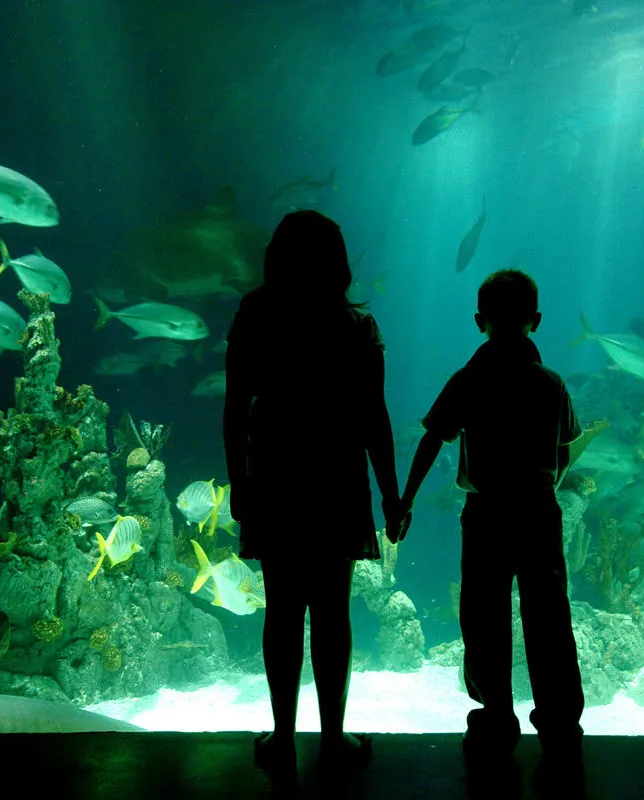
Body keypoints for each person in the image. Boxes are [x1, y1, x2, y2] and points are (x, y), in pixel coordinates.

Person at [224, 210, 401, 771]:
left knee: (281, 610)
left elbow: (234, 410)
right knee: (331, 611)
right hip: (336, 479)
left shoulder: (255, 313)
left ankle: (281, 737)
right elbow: (376, 419)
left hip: (274, 474)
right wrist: (392, 493)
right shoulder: (356, 327)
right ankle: (331, 738)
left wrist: (238, 484)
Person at [393, 269, 585, 763]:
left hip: (486, 513)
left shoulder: (468, 379)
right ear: (536, 321)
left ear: (479, 321)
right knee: (548, 615)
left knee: (483, 615)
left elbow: (434, 437)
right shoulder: (551, 383)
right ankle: (560, 720)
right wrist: (548, 483)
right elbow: (565, 450)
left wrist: (406, 499)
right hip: (539, 510)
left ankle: (495, 713)